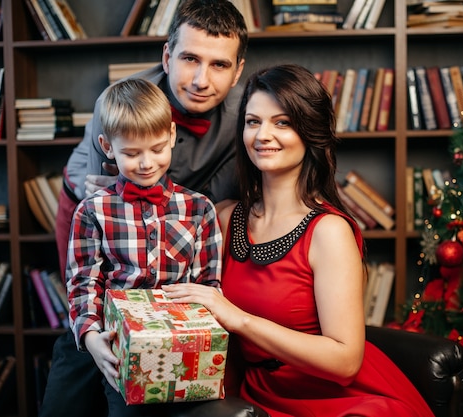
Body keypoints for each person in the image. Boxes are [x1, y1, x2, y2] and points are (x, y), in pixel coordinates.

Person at [162, 64, 435, 417]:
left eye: (282, 122)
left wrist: (238, 319)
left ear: (310, 132)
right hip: (259, 396)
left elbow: (345, 361)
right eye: (253, 121)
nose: (262, 135)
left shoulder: (329, 231)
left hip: (340, 400)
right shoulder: (226, 217)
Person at [40, 1, 247, 416]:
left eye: (219, 65)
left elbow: (224, 199)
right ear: (167, 56)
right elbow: (106, 208)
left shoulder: (245, 115)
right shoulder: (118, 103)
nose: (202, 80)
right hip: (97, 206)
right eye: (190, 59)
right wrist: (93, 326)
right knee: (82, 347)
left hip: (179, 220)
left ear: (237, 71)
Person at [66, 77, 223, 417]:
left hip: (186, 349)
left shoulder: (200, 209)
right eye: (131, 153)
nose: (146, 163)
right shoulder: (92, 210)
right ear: (107, 147)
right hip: (118, 345)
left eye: (156, 149)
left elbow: (208, 286)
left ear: (171, 135)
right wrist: (92, 337)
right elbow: (83, 282)